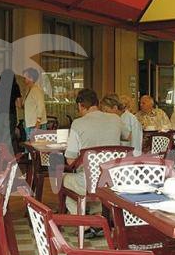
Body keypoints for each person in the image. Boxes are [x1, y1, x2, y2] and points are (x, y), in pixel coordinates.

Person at [62, 89, 130, 232]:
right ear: (97, 103)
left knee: (63, 180)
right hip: (112, 180)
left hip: (88, 182)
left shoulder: (77, 123)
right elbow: (128, 136)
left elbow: (70, 160)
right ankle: (99, 216)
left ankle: (85, 224)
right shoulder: (115, 119)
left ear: (80, 105)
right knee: (94, 188)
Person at [0, 69, 22, 153]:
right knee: (9, 137)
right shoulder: (15, 86)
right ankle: (7, 156)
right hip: (11, 114)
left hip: (0, 114)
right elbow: (19, 104)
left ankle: (0, 155)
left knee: (0, 136)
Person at [21, 67, 46, 140]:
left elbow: (41, 106)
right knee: (30, 143)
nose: (23, 80)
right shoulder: (29, 90)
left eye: (25, 78)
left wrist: (38, 122)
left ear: (31, 78)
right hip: (30, 123)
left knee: (35, 144)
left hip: (35, 124)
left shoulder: (36, 90)